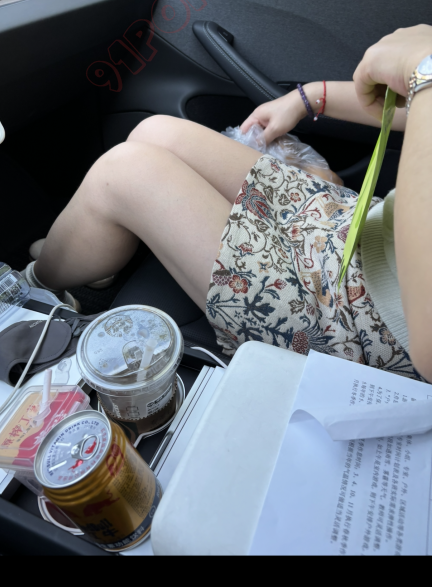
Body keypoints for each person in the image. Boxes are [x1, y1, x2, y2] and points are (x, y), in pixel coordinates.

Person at [24, 24, 432, 382]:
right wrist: (309, 98)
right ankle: (92, 260)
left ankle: (38, 283)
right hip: (355, 228)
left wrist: (424, 68)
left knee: (123, 172)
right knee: (157, 133)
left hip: (357, 317)